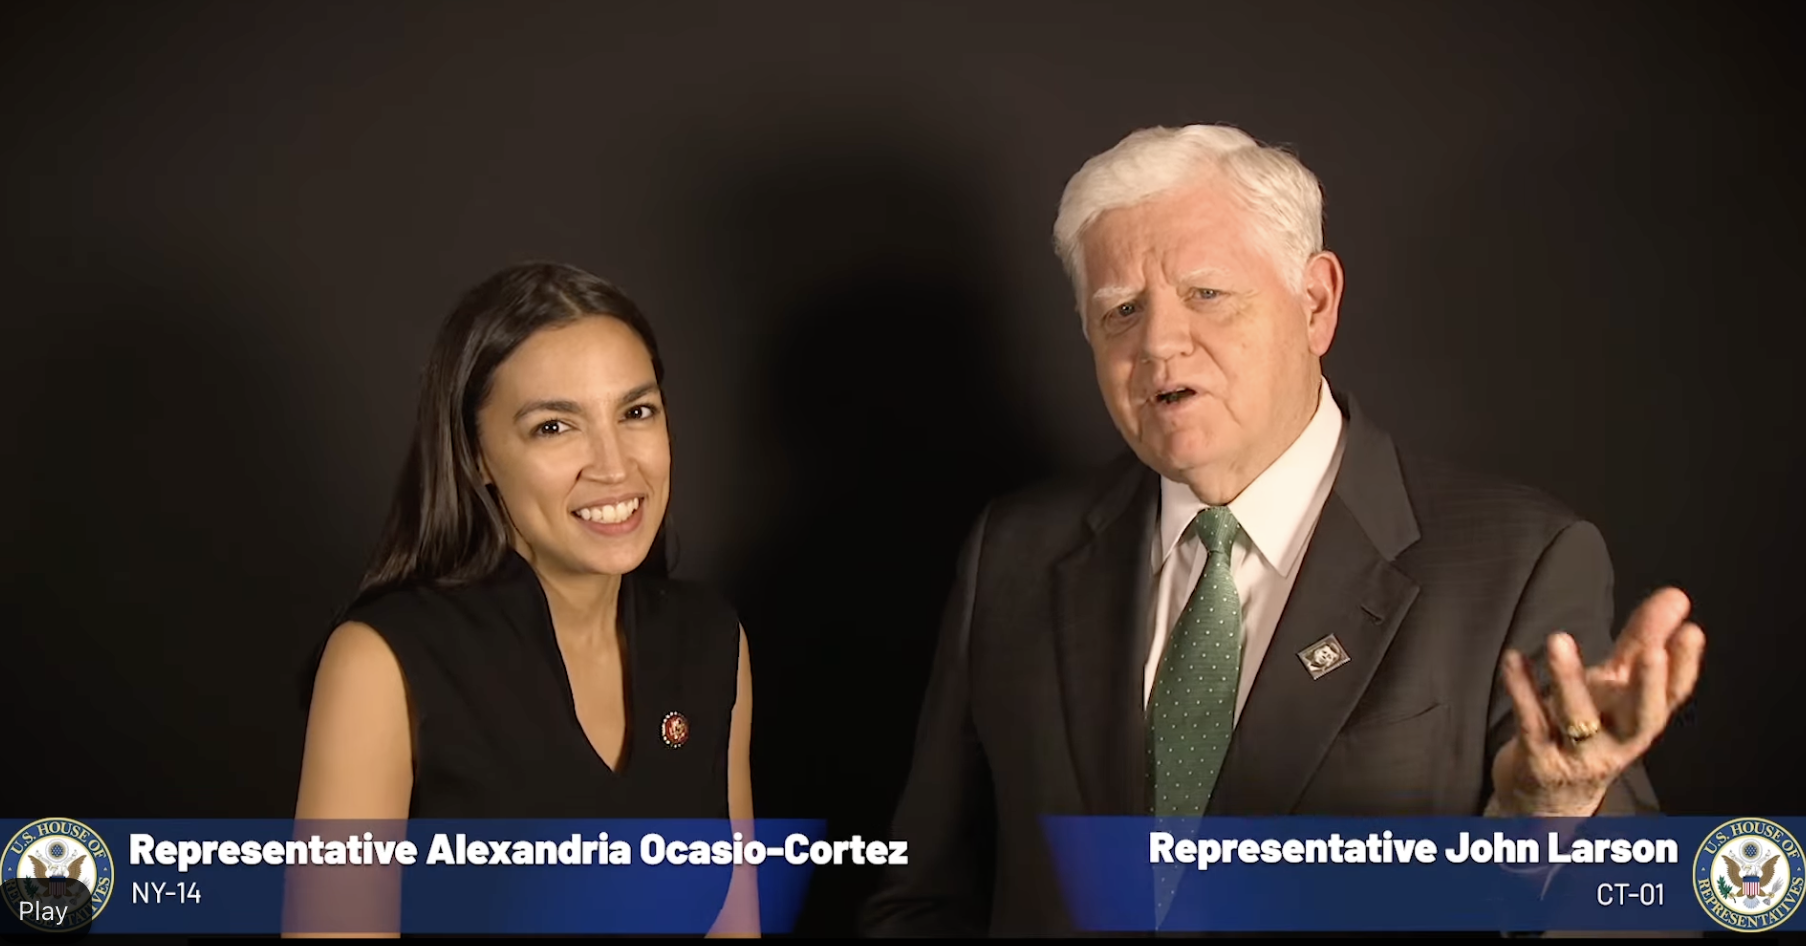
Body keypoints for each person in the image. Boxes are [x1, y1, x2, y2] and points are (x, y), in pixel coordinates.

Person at [860, 125, 1707, 936]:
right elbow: (920, 894)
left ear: (1314, 302)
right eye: (1121, 310)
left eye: (1207, 294)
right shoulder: (1013, 553)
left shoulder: (1516, 560)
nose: (1159, 343)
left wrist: (1546, 822)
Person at [292, 261, 757, 936]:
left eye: (636, 412)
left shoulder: (711, 640)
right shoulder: (381, 661)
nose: (614, 465)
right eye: (554, 427)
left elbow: (733, 927)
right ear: (477, 455)